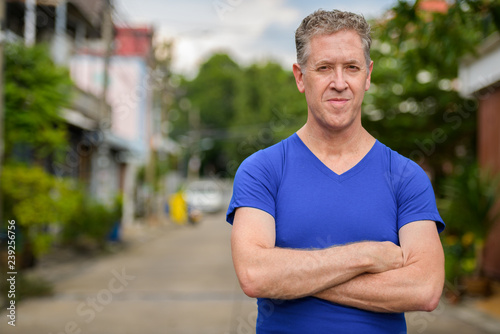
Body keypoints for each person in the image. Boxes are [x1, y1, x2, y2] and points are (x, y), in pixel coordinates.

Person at [226, 9, 445, 334]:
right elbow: (255, 275)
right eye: (324, 68)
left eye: (352, 68)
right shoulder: (262, 170)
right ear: (301, 77)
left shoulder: (406, 177)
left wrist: (293, 278)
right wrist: (368, 256)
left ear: (367, 75)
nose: (339, 83)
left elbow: (424, 289)